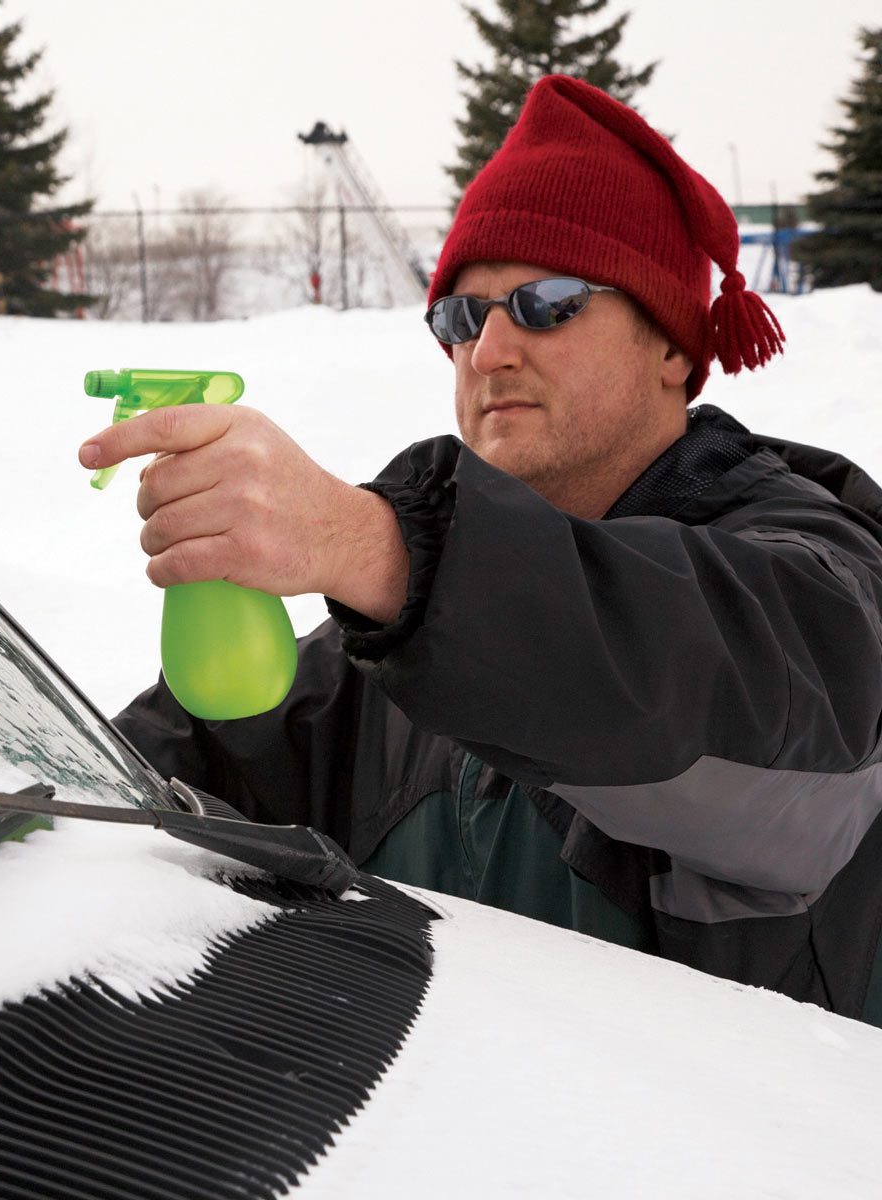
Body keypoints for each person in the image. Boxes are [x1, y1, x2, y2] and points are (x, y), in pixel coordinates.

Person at [81, 76, 882, 1026]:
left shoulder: (820, 576)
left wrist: (372, 545)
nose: (489, 349)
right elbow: (155, 781)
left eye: (546, 303)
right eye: (460, 317)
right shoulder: (404, 642)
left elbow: (699, 682)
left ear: (672, 343)